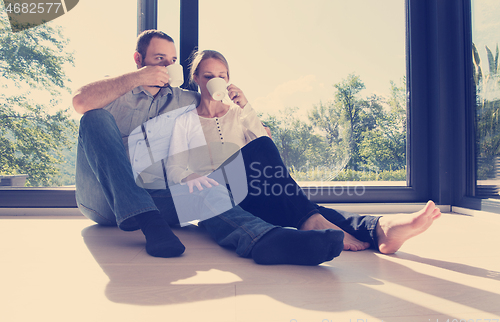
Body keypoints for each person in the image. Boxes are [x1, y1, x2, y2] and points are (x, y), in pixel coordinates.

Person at [72, 29, 441, 265]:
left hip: (163, 200)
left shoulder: (183, 100)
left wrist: (242, 106)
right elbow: (80, 102)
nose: (165, 69)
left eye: (170, 63)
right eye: (157, 61)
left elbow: (253, 138)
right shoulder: (117, 89)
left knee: (218, 184)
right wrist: (137, 79)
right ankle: (147, 219)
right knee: (94, 119)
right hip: (105, 198)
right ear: (138, 60)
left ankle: (280, 238)